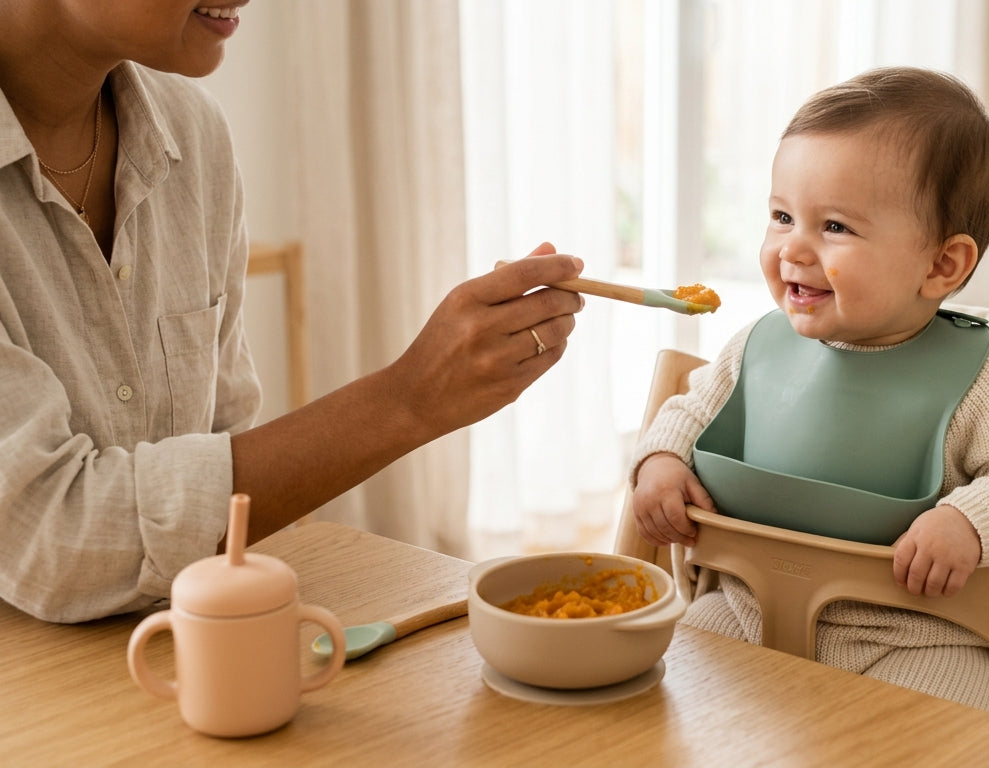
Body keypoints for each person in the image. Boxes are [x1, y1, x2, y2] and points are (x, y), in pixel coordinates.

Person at [0, 1, 583, 623]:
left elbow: (222, 441)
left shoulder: (191, 134)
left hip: (172, 661)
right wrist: (407, 400)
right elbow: (53, 538)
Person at [630, 66, 989, 715]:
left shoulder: (979, 377)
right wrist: (661, 463)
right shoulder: (758, 346)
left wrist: (968, 522)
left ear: (941, 265)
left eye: (834, 227)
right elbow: (690, 410)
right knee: (663, 689)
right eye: (783, 216)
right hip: (745, 612)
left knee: (956, 728)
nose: (793, 247)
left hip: (915, 637)